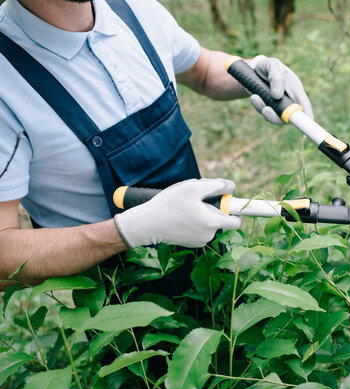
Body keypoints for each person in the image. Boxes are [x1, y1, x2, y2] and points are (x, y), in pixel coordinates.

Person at [0, 0, 313, 291]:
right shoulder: (6, 78)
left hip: (214, 269)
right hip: (126, 328)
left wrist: (250, 73)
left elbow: (202, 69)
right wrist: (129, 230)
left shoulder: (135, 8)